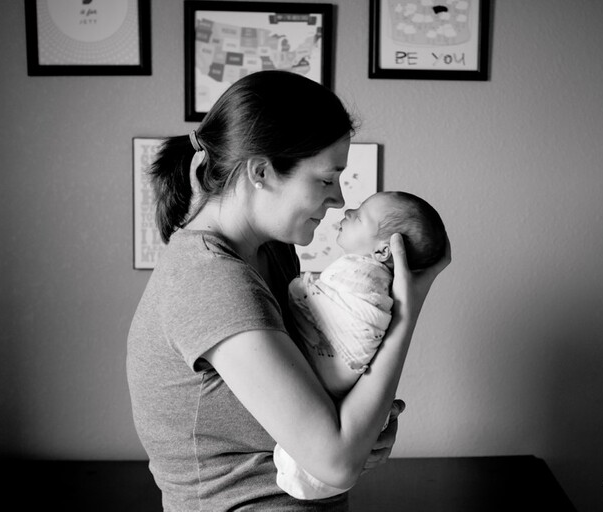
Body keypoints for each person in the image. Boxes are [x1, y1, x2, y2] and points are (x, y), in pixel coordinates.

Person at [126, 70, 450, 511]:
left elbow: (325, 402)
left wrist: (364, 425)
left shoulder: (274, 254)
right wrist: (407, 311)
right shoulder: (209, 280)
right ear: (262, 171)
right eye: (325, 178)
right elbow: (336, 462)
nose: (338, 199)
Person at [275, 191, 447, 500]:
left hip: (327, 462)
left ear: (383, 251)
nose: (346, 207)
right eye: (326, 179)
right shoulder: (364, 275)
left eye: (361, 215)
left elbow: (356, 328)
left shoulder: (364, 277)